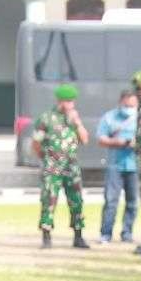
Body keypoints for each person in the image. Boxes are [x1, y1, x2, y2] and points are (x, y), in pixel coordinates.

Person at [31, 83, 90, 249]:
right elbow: (36, 143)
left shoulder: (74, 119)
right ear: (59, 101)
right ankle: (46, 236)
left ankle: (78, 236)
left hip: (72, 167)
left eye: (72, 101)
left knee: (76, 200)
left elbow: (85, 140)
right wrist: (46, 158)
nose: (71, 105)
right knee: (49, 199)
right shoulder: (46, 118)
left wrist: (77, 123)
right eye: (68, 101)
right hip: (52, 167)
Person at [96, 89, 140, 244]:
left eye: (133, 105)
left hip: (134, 166)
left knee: (133, 202)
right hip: (115, 165)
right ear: (121, 101)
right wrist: (119, 142)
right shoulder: (109, 118)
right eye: (127, 104)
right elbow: (101, 139)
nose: (129, 108)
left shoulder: (140, 118)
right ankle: (105, 234)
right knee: (111, 201)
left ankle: (127, 233)